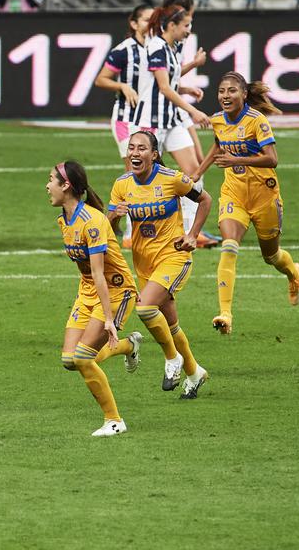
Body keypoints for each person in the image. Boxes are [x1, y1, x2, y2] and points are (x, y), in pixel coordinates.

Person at [193, 72, 299, 335]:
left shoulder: (257, 121)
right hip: (234, 192)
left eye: (232, 91)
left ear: (244, 95)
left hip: (264, 195)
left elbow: (272, 159)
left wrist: (236, 161)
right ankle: (225, 313)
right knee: (229, 246)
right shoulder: (218, 120)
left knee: (272, 256)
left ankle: (293, 274)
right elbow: (218, 145)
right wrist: (198, 172)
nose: (225, 96)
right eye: (221, 91)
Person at [108, 131, 213, 399]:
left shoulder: (172, 178)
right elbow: (110, 230)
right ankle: (194, 372)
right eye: (131, 147)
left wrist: (192, 235)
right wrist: (115, 217)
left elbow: (205, 199)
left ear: (154, 155)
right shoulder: (121, 185)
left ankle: (172, 358)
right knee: (170, 323)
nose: (134, 153)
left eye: (142, 148)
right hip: (144, 264)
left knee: (144, 308)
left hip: (174, 256)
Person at [48, 160, 142, 436]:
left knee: (84, 358)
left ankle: (114, 421)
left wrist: (109, 320)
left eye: (51, 180)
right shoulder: (64, 220)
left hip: (116, 292)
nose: (47, 186)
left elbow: (100, 274)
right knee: (70, 360)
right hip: (88, 290)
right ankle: (128, 346)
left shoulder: (91, 222)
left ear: (66, 186)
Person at [132, 3, 211, 244]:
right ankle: (131, 232)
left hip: (171, 120)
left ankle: (188, 231)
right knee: (141, 176)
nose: (188, 31)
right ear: (172, 25)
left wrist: (186, 88)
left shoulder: (170, 47)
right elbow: (163, 87)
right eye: (186, 25)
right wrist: (193, 110)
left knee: (193, 172)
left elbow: (168, 83)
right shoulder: (156, 45)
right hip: (151, 122)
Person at [93, 4, 153, 247]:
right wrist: (122, 86)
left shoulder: (158, 48)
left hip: (150, 118)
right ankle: (130, 232)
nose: (151, 23)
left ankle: (144, 227)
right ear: (134, 23)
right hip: (125, 118)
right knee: (134, 171)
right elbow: (101, 79)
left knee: (150, 172)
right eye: (147, 19)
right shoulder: (123, 51)